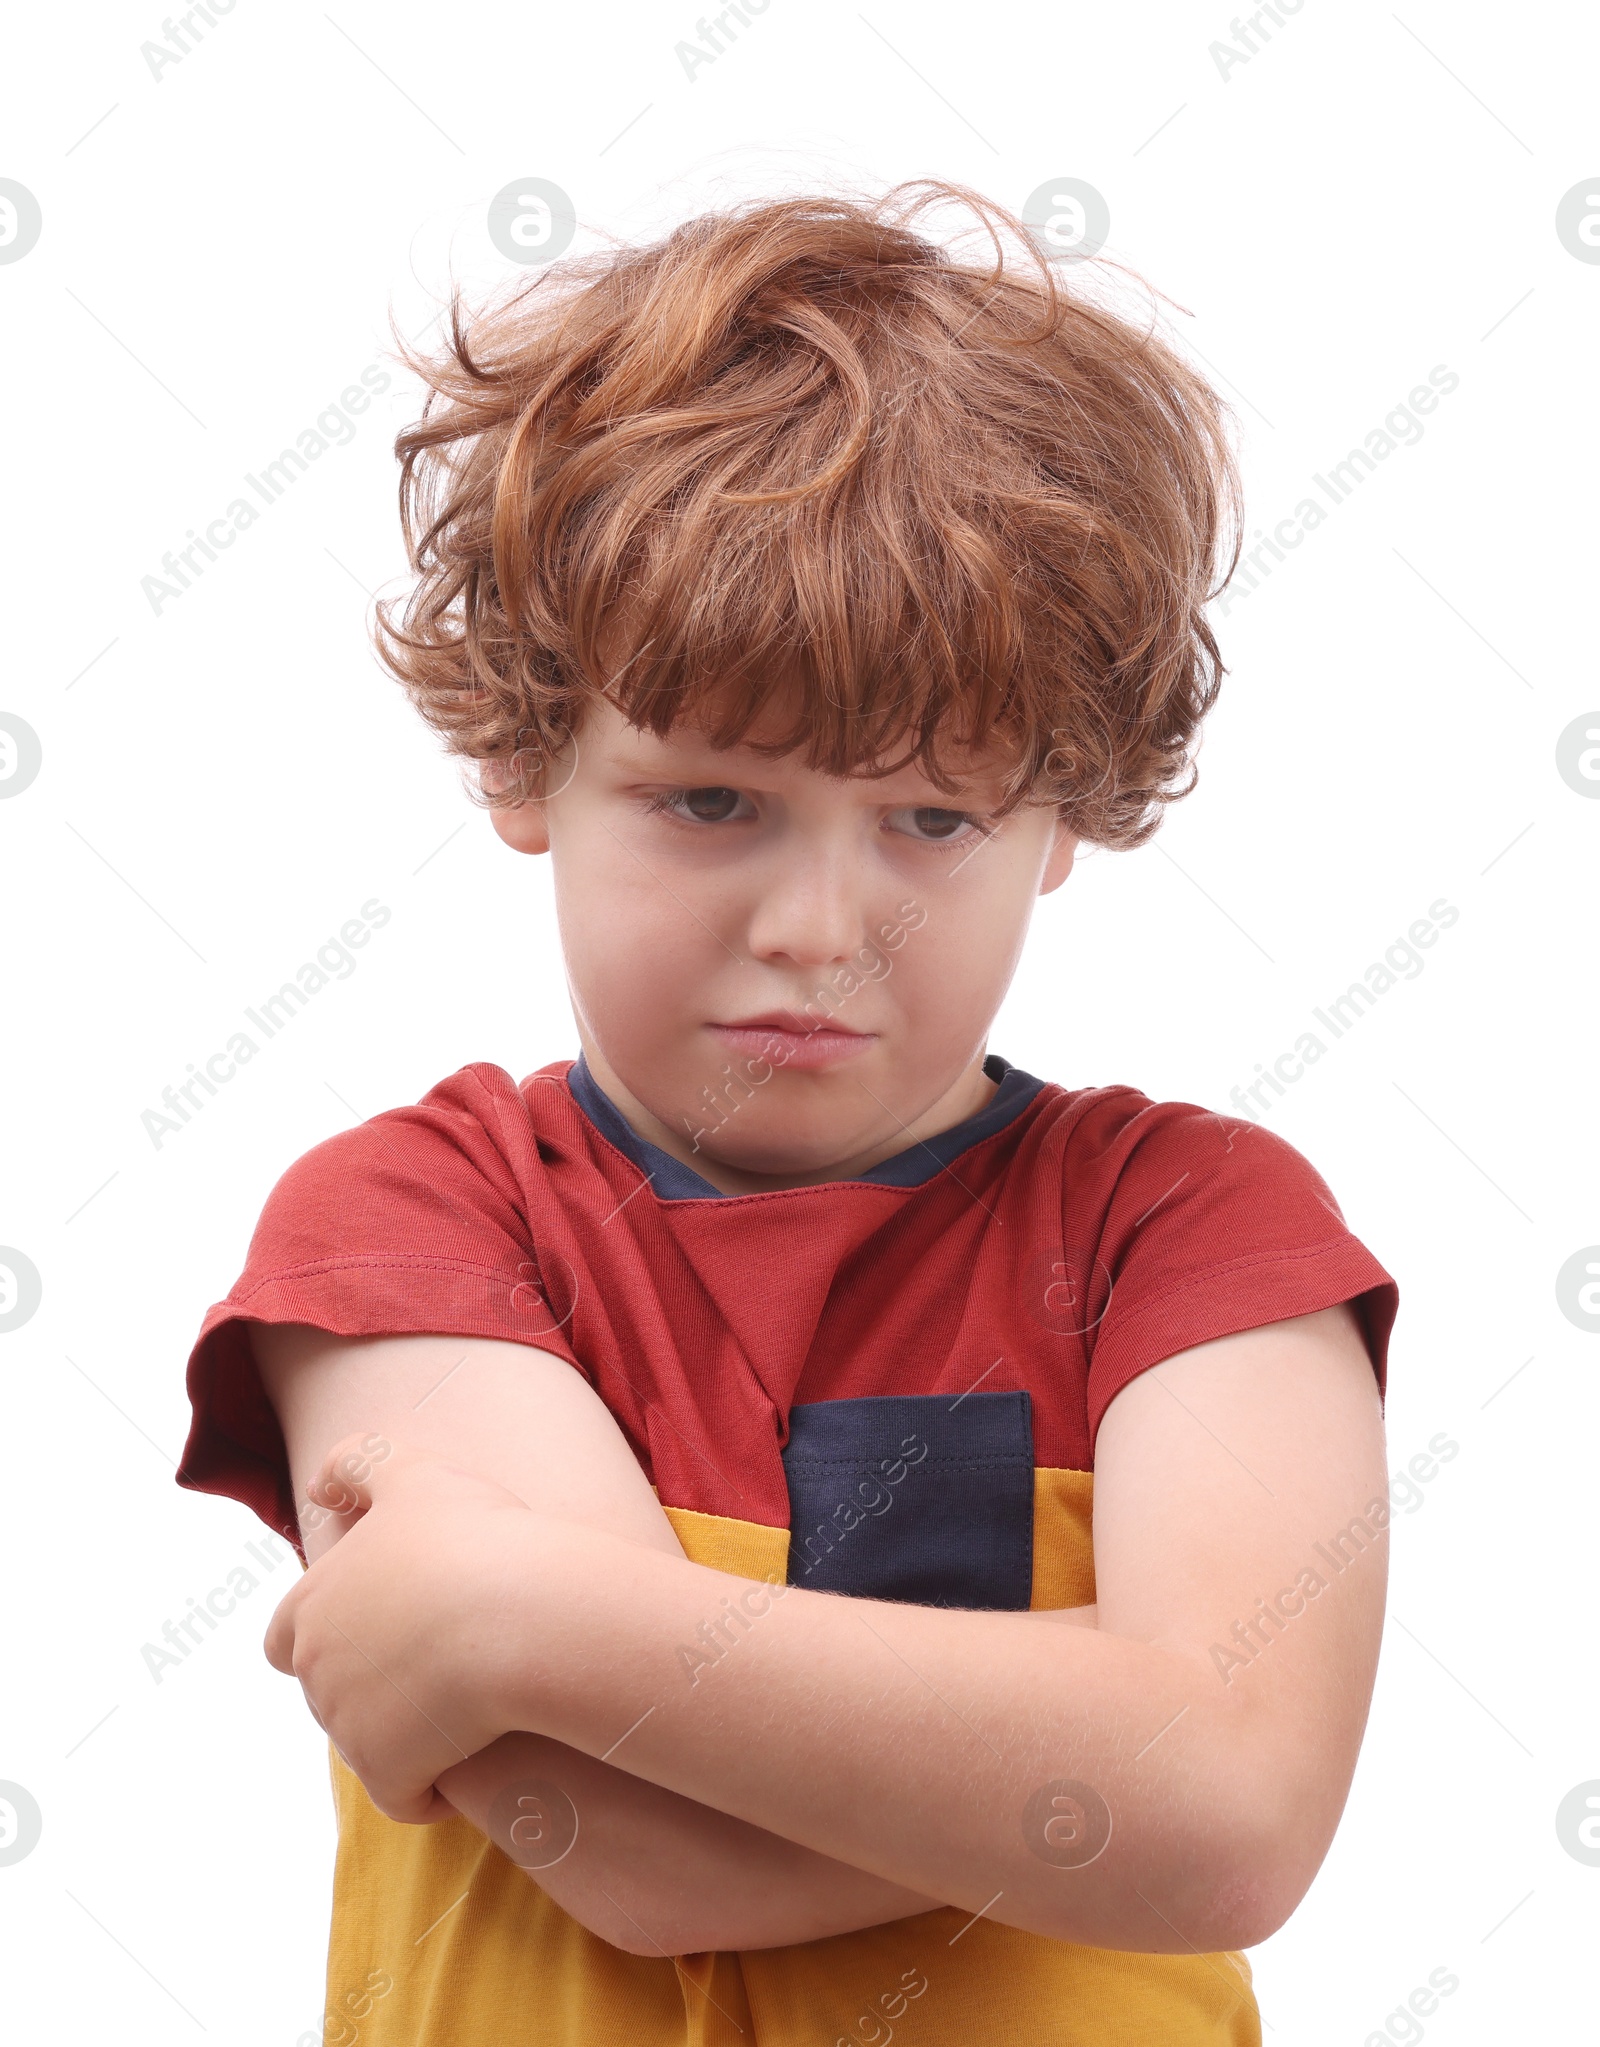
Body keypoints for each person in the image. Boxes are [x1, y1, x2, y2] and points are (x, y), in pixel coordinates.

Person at [178, 180, 1399, 2047]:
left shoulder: (1194, 1229)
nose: (820, 929)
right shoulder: (414, 1217)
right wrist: (1112, 1735)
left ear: (1061, 812)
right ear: (528, 759)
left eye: (932, 819)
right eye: (709, 802)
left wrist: (519, 1613)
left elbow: (1231, 1821)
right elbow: (639, 1851)